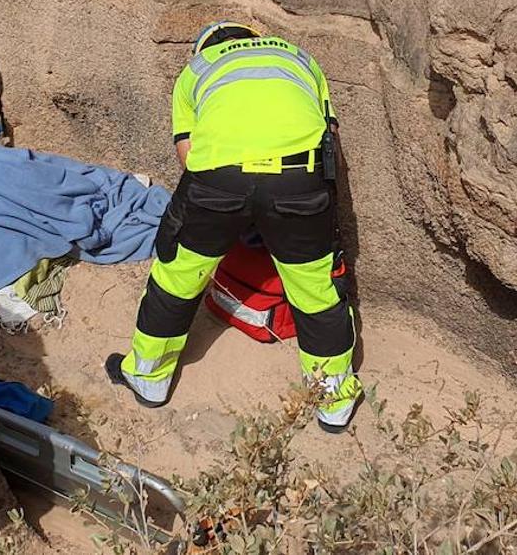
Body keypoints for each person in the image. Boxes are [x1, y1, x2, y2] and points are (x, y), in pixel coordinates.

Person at [104, 22, 362, 433]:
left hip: (218, 179)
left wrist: (239, 210)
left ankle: (148, 377)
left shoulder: (197, 68)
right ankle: (333, 400)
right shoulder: (299, 58)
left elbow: (187, 156)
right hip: (298, 179)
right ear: (254, 39)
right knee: (316, 288)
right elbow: (329, 138)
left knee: (178, 273)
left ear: (204, 46)